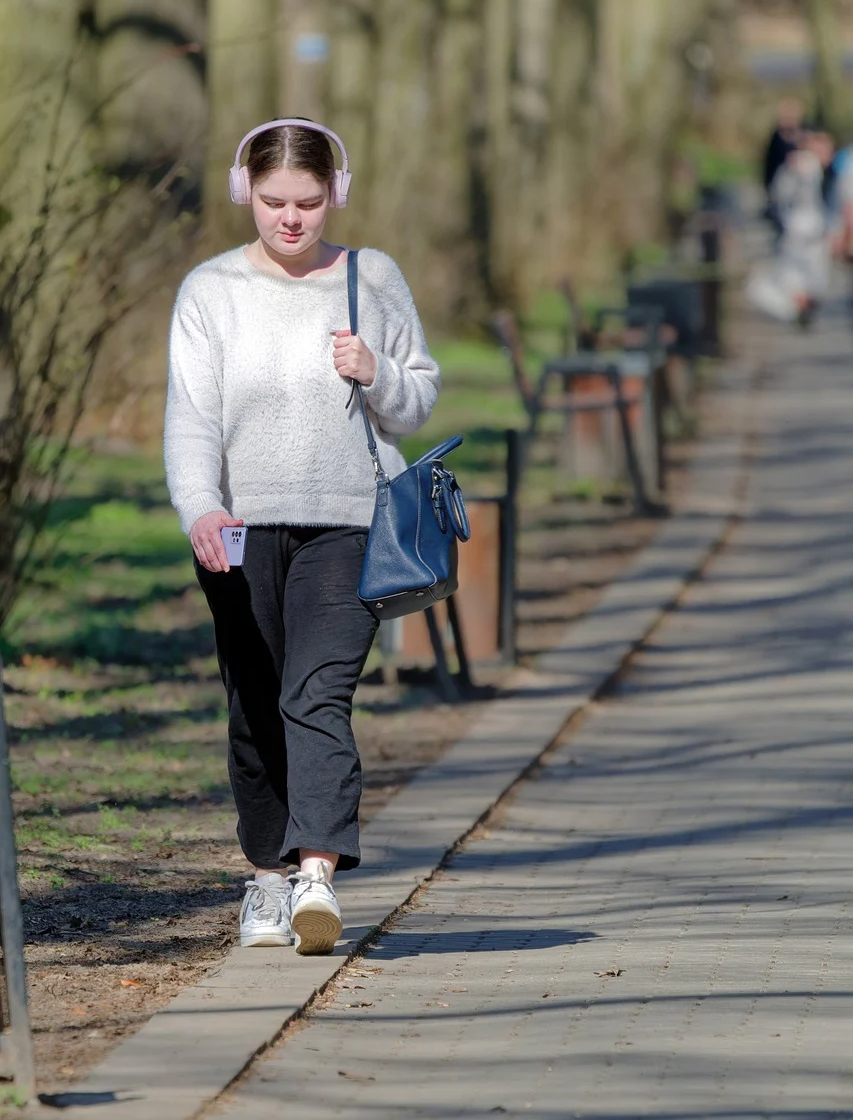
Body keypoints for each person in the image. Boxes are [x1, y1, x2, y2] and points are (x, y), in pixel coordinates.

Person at [164, 119, 440, 955]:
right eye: (275, 201)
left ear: (337, 194)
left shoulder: (371, 277)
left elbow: (419, 398)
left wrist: (377, 372)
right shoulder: (209, 291)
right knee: (254, 702)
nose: (291, 219)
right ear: (244, 190)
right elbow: (190, 421)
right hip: (240, 531)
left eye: (309, 203)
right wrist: (200, 509)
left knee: (314, 695)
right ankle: (267, 880)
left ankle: (316, 875)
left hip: (347, 523)